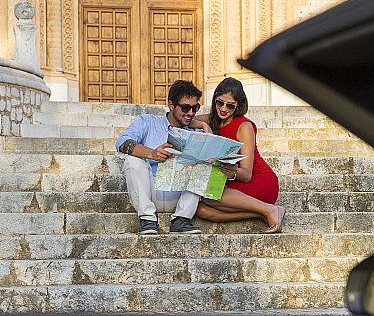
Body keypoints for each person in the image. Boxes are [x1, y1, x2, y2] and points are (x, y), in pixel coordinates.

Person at [115, 80, 209, 235]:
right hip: (150, 192)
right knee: (133, 159)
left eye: (195, 108)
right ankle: (147, 219)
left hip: (180, 197)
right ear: (171, 105)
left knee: (206, 160)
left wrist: (205, 126)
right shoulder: (147, 122)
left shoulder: (196, 132)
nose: (191, 113)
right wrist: (152, 153)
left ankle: (182, 219)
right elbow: (122, 143)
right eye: (185, 107)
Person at [194, 77, 285, 233]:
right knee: (201, 210)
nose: (223, 108)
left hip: (258, 181)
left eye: (230, 105)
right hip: (230, 184)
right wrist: (204, 125)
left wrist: (233, 172)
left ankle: (267, 209)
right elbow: (185, 120)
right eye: (219, 102)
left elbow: (247, 174)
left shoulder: (244, 126)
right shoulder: (211, 119)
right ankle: (266, 211)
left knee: (207, 194)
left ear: (238, 106)